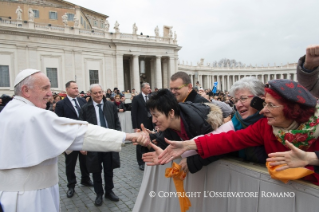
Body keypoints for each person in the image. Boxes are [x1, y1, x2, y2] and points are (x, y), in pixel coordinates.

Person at [0, 69, 148, 212]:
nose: (50, 94)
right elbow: (81, 133)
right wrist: (128, 136)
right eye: (45, 88)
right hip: (31, 198)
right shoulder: (33, 115)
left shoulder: (9, 111)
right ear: (26, 90)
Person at [158, 79, 319, 186]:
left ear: (292, 109)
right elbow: (231, 139)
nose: (263, 110)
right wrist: (188, 144)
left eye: (271, 105)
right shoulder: (265, 126)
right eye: (265, 104)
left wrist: (312, 158)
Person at [133, 89, 224, 212]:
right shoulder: (169, 126)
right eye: (152, 115)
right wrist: (147, 140)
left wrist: (192, 161)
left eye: (156, 115)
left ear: (171, 112)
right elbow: (163, 142)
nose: (153, 121)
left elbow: (220, 147)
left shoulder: (201, 122)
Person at [80, 84, 120, 206]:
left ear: (103, 92)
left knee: (109, 169)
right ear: (90, 94)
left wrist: (118, 137)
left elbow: (116, 122)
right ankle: (99, 194)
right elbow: (81, 128)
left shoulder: (110, 105)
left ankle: (109, 191)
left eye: (100, 92)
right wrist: (82, 145)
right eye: (95, 93)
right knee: (95, 170)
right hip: (93, 144)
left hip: (108, 142)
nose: (98, 95)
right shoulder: (85, 108)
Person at [55, 81, 93, 198]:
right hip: (70, 139)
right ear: (67, 89)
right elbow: (59, 123)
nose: (77, 90)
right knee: (70, 163)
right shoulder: (61, 104)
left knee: (85, 161)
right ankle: (71, 185)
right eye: (74, 88)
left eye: (77, 87)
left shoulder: (82, 101)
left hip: (83, 137)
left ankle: (85, 179)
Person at [131, 82, 153, 170]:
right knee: (140, 143)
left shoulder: (151, 97)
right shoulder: (136, 98)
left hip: (150, 124)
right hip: (141, 124)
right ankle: (140, 162)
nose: (149, 89)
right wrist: (135, 126)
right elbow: (134, 113)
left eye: (149, 87)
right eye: (147, 88)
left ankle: (149, 158)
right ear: (143, 89)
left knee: (149, 141)